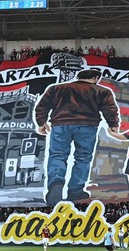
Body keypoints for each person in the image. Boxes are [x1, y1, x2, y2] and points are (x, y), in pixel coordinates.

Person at [34, 67, 121, 206]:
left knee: (57, 155)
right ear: (95, 78)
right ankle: (76, 191)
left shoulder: (56, 88)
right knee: (83, 157)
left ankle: (55, 186)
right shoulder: (102, 91)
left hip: (60, 125)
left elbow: (42, 106)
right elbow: (110, 108)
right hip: (88, 126)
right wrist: (113, 125)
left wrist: (41, 123)